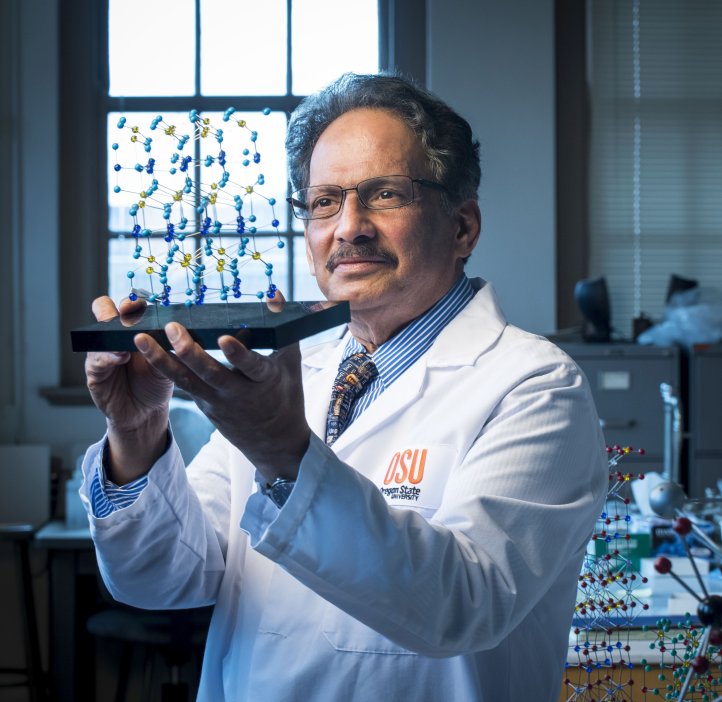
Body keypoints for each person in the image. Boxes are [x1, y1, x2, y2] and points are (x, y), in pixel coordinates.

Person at [81, 72, 608, 701]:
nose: (349, 227)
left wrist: (284, 452)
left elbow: (466, 606)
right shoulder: (289, 373)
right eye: (325, 201)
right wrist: (137, 432)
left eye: (385, 194)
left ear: (463, 226)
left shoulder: (534, 387)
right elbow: (164, 581)